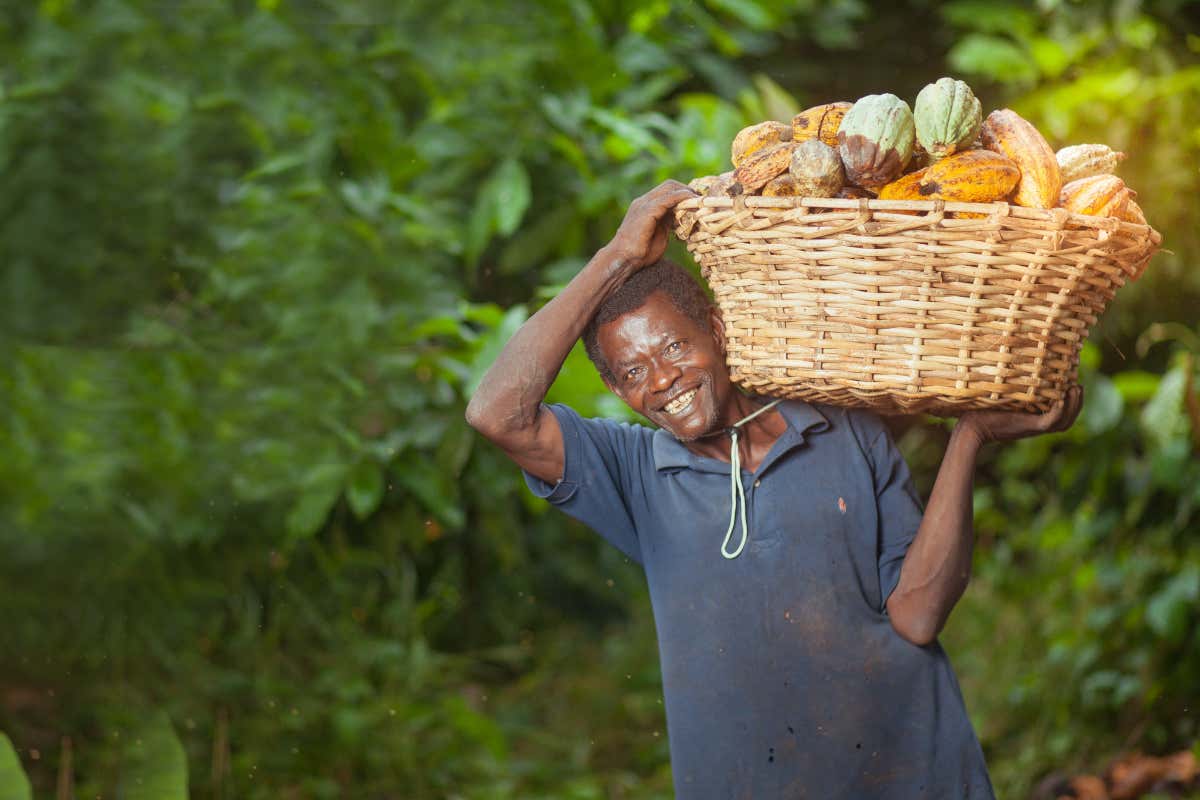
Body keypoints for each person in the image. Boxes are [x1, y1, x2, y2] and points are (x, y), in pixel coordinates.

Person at [465, 180, 1083, 798]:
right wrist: (618, 256)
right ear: (618, 393)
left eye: (676, 345)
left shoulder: (843, 430)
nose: (663, 379)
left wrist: (970, 436)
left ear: (718, 328)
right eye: (633, 372)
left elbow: (918, 616)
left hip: (911, 776)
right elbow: (497, 412)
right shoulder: (631, 471)